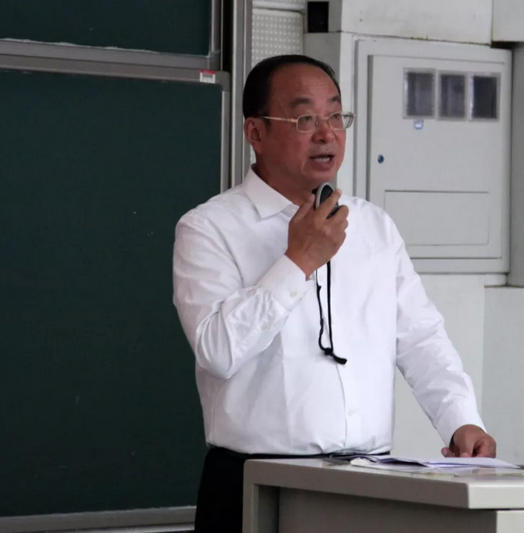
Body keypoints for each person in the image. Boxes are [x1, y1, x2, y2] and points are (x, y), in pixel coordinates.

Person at [173, 54, 496, 533]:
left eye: (336, 116)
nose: (327, 133)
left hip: (369, 479)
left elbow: (422, 338)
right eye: (305, 119)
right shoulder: (209, 227)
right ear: (255, 132)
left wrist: (461, 419)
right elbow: (217, 351)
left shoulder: (373, 225)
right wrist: (298, 261)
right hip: (256, 483)